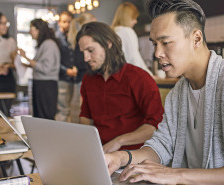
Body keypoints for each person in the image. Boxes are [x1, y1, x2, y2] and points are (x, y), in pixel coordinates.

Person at [105, 0, 224, 185]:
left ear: (196, 39)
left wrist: (176, 175)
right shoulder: (178, 93)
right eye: (155, 44)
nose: (157, 53)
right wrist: (120, 158)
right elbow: (161, 146)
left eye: (166, 42)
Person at [76, 22, 164, 153]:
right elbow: (86, 117)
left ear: (108, 44)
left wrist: (119, 141)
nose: (86, 58)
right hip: (99, 153)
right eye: (83, 52)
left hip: (132, 157)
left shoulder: (139, 78)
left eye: (90, 50)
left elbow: (155, 126)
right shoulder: (88, 80)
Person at [55, 12, 97, 122]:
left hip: (78, 77)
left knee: (78, 109)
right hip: (74, 77)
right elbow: (78, 60)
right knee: (75, 110)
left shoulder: (78, 37)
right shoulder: (80, 39)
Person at [18, 19, 60, 120]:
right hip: (42, 84)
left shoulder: (49, 44)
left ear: (39, 30)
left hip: (46, 85)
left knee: (45, 116)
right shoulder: (44, 44)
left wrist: (25, 57)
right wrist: (26, 65)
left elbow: (46, 68)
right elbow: (41, 65)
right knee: (39, 116)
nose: (29, 32)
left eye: (31, 29)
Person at [111, 2, 153, 76]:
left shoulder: (112, 32)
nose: (135, 22)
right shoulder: (127, 31)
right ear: (127, 17)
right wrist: (149, 75)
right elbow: (134, 59)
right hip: (128, 76)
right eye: (134, 18)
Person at [54, 11, 77, 122]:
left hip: (74, 78)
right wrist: (66, 71)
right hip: (62, 78)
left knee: (73, 109)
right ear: (59, 23)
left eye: (69, 22)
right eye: (64, 22)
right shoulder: (56, 38)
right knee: (63, 109)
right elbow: (54, 60)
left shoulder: (74, 37)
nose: (67, 24)